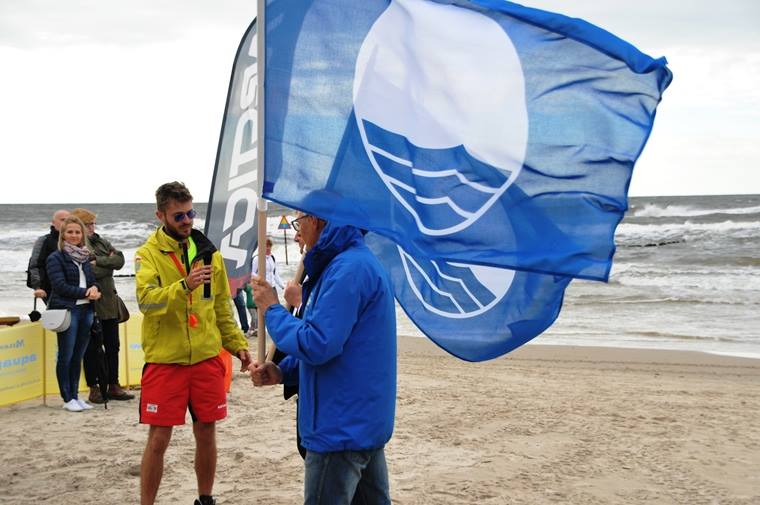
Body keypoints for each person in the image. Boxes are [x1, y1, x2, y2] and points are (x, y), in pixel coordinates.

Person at [250, 213, 397, 505]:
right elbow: (340, 346)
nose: (295, 235)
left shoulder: (347, 270)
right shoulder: (346, 264)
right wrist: (281, 371)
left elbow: (318, 343)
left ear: (316, 219)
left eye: (297, 223)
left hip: (340, 426)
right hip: (359, 421)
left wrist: (272, 310)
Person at [135, 181, 252, 505]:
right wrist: (183, 286)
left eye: (190, 213)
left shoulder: (207, 252)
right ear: (161, 215)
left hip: (205, 358)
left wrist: (237, 344)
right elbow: (146, 302)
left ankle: (205, 498)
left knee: (206, 432)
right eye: (178, 216)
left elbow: (220, 307)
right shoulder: (147, 254)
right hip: (166, 361)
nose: (187, 221)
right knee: (159, 439)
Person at [70, 208, 134, 404]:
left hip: (109, 303)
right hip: (91, 305)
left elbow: (120, 259)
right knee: (92, 349)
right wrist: (106, 264)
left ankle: (114, 384)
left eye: (92, 224)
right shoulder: (78, 244)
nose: (92, 227)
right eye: (88, 224)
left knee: (113, 345)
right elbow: (89, 271)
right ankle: (94, 387)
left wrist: (100, 261)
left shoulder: (101, 241)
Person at [46, 215, 101, 412]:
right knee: (66, 355)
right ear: (63, 234)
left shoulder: (84, 256)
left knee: (78, 356)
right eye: (70, 232)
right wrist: (86, 292)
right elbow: (60, 286)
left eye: (77, 232)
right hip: (68, 310)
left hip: (86, 310)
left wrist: (94, 289)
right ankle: (67, 397)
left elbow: (91, 279)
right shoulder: (55, 257)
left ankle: (76, 396)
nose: (74, 235)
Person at [27, 209, 70, 303]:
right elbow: (35, 265)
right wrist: (38, 287)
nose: (65, 223)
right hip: (50, 289)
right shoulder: (44, 240)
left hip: (73, 289)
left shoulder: (74, 240)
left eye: (68, 220)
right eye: (62, 220)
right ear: (53, 223)